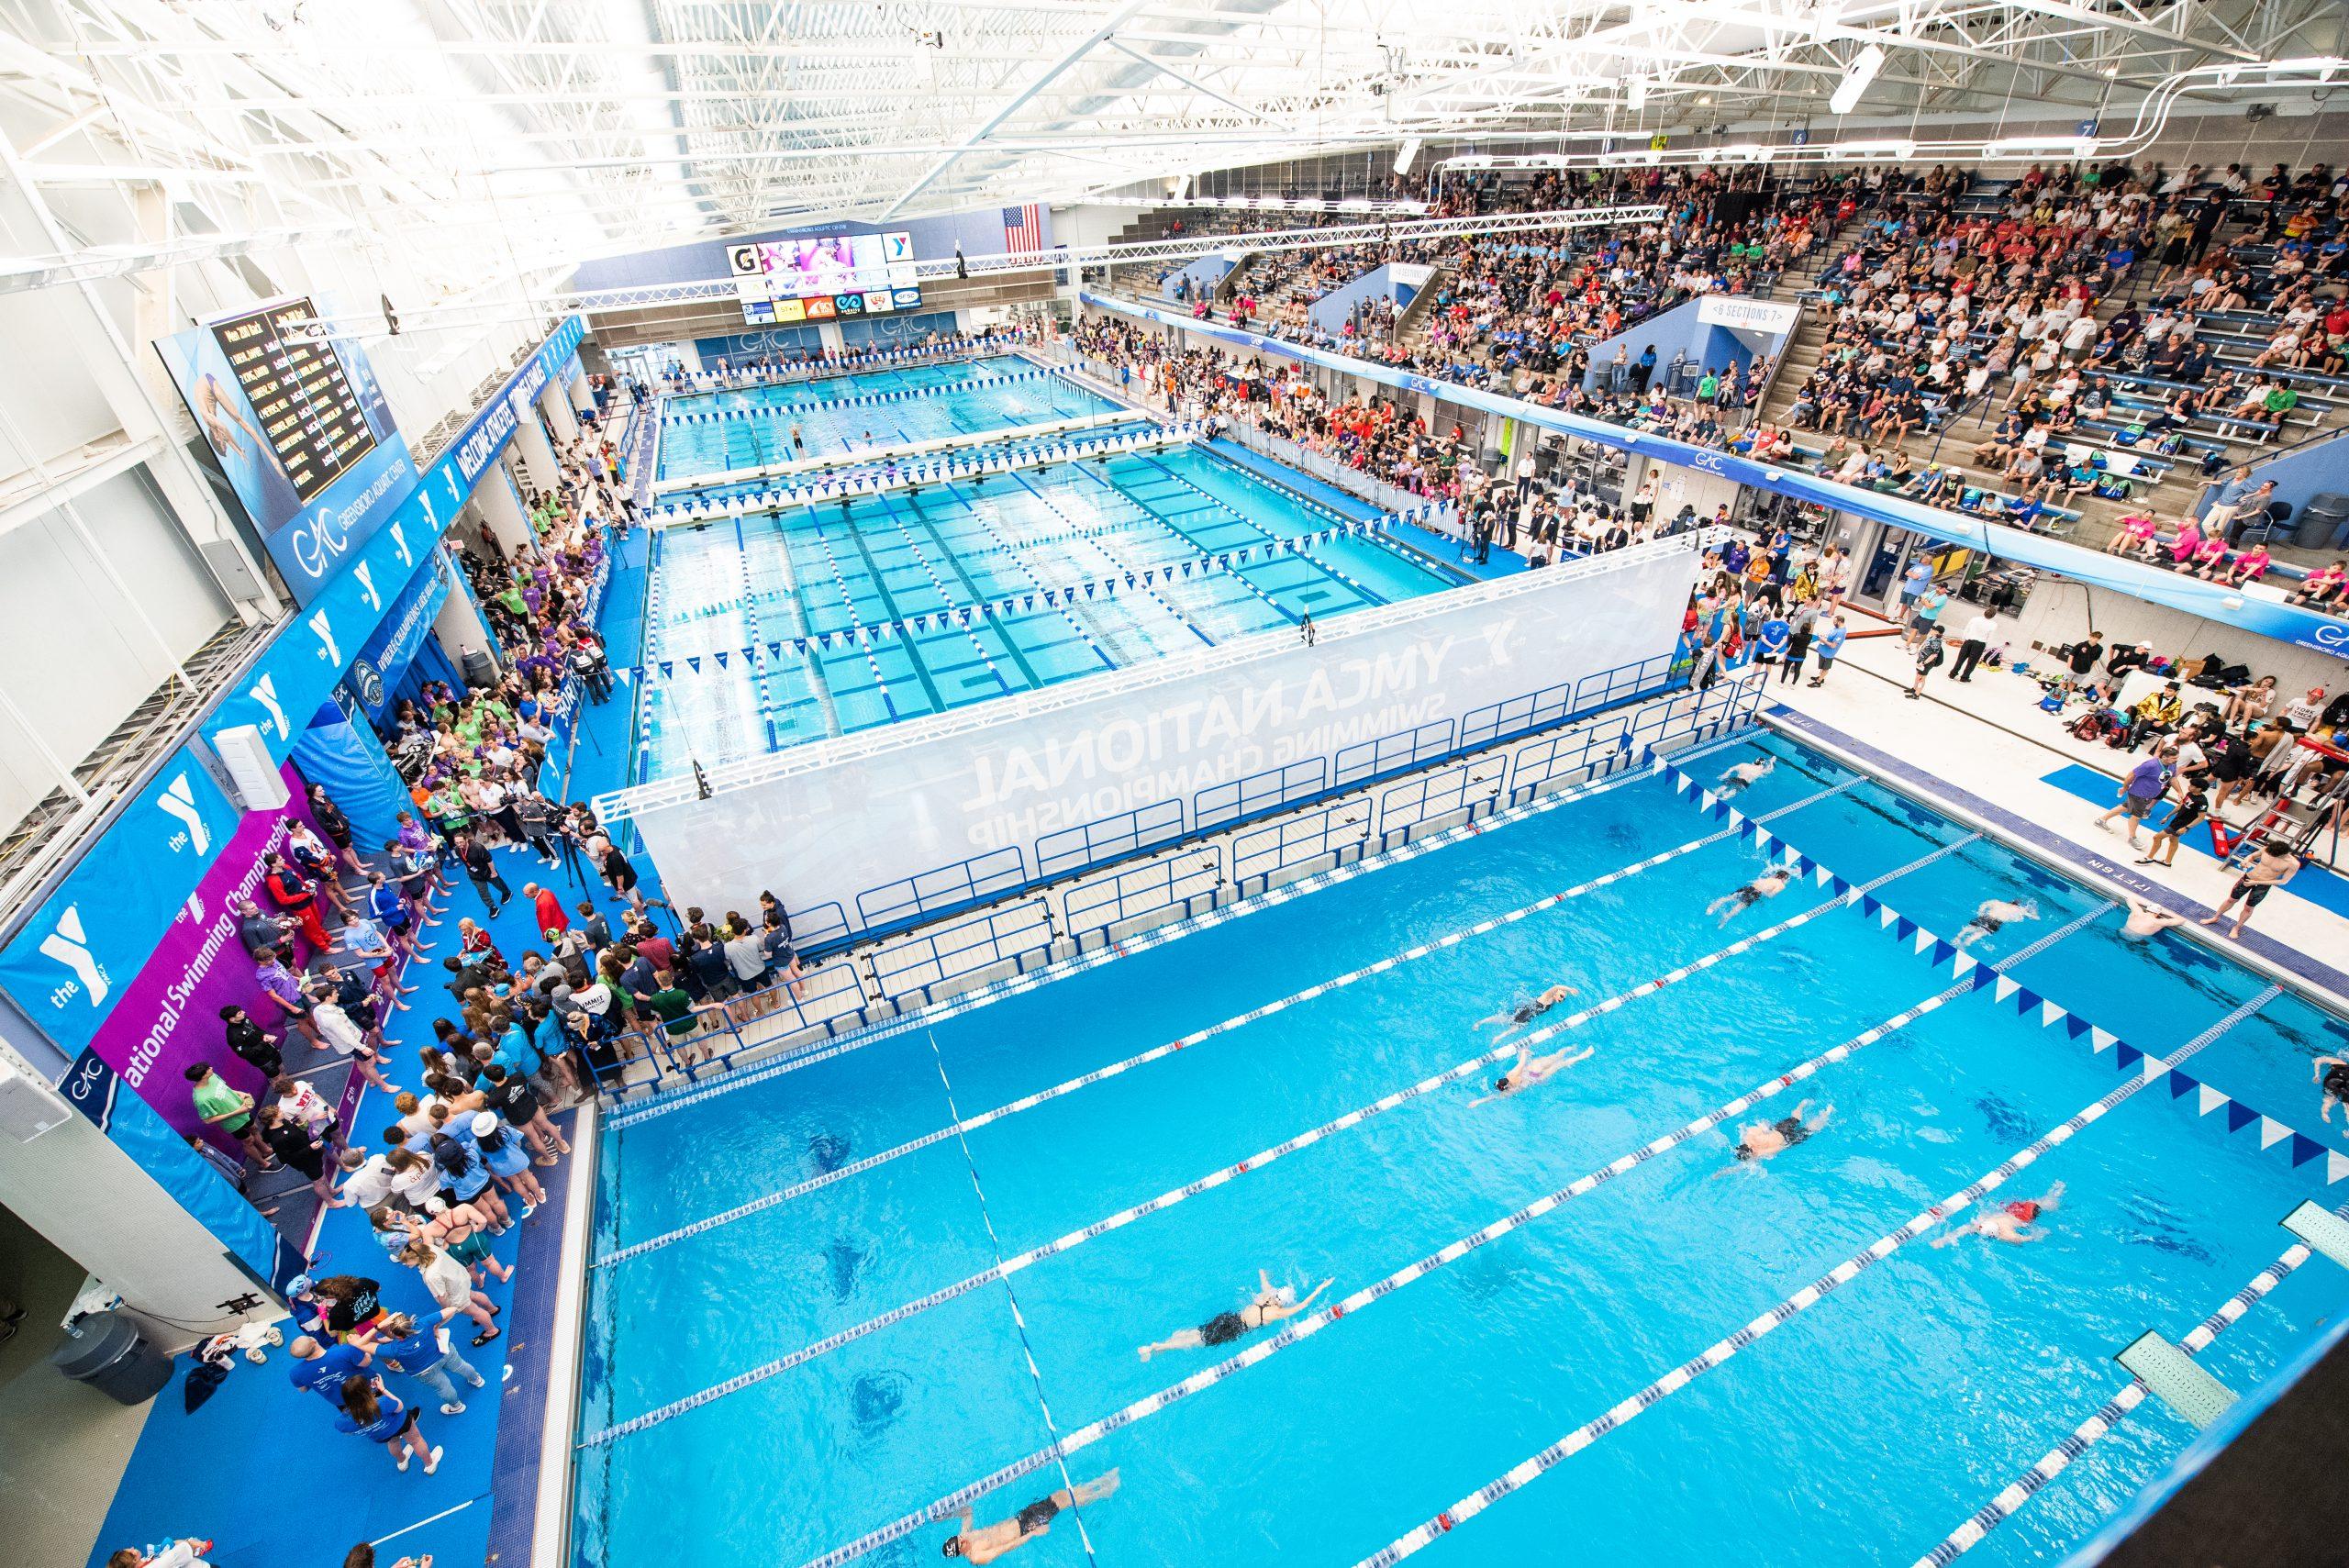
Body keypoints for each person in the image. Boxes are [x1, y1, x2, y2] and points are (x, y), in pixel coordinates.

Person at [1136, 1273, 1332, 1362]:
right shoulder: (1277, 1312)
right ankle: (1157, 1347)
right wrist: (1321, 1288)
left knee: (1198, 1333)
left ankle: (1165, 1343)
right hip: (1234, 1329)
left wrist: (1265, 1274)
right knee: (1198, 1342)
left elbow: (1262, 1275)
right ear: (1284, 1301)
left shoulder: (1266, 1295)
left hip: (1229, 1318)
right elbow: (1304, 1305)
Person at [941, 1472, 1121, 1562]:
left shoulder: (965, 1534)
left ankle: (1099, 1486)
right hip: (1026, 1527)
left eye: (958, 1537)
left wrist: (945, 1515)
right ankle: (1103, 1489)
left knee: (1059, 1496)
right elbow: (1008, 1546)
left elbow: (967, 1511)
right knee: (1062, 1500)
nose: (963, 1538)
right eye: (960, 1543)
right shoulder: (978, 1556)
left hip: (1020, 1517)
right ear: (960, 1551)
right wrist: (1033, 1533)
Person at [363, 1311, 494, 1417]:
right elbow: (452, 1309)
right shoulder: (423, 1323)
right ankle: (476, 1380)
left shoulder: (393, 1349)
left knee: (443, 1387)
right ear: (409, 1321)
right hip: (444, 1353)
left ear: (395, 1334)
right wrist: (437, 1326)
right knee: (462, 1366)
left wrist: (378, 1326)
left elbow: (361, 1344)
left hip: (424, 1371)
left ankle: (456, 1406)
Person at [334, 1373, 442, 1474]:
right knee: (416, 1440)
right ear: (367, 1390)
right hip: (401, 1424)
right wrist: (383, 1389)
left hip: (380, 1435)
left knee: (393, 1442)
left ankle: (402, 1462)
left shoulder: (342, 1421)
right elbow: (400, 1407)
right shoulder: (381, 1402)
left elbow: (348, 1432)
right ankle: (429, 1464)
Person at [2202, 839, 2301, 937]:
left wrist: (2256, 882)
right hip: (2248, 878)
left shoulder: (2293, 864)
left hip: (2263, 886)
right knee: (2231, 900)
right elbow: (2253, 855)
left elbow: (2283, 881)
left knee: (2248, 908)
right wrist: (2246, 860)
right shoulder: (2267, 849)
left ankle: (2236, 927)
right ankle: (2215, 917)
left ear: (2283, 854)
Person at [184, 1062, 273, 1169]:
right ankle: (263, 1165)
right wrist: (236, 1112)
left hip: (243, 1110)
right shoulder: (201, 1099)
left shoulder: (212, 1077)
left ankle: (266, 1151)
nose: (211, 1068)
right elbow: (207, 1120)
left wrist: (240, 1094)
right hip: (233, 1123)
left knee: (254, 1128)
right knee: (248, 1141)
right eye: (208, 1069)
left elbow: (226, 1088)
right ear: (203, 1076)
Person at [2094, 746, 2176, 851]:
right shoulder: (2151, 765)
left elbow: (2173, 778)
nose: (2176, 760)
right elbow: (2132, 774)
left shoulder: (2172, 766)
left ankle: (2101, 820)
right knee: (2136, 816)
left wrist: (2179, 792)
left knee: (2125, 807)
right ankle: (2132, 838)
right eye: (2174, 758)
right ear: (2165, 757)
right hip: (2139, 793)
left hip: (2149, 795)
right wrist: (2125, 787)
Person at [1931, 1183, 2065, 1247]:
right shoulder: (1982, 1221)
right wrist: (1942, 1241)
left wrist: (2037, 1235)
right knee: (2040, 1203)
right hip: (2013, 1209)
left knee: (2040, 1206)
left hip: (2022, 1216)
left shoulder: (2003, 1233)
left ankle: (2055, 1196)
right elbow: (1964, 1229)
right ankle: (2056, 1194)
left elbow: (2020, 1240)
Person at [1720, 1099, 1833, 1170]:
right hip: (1779, 1130)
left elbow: (1779, 1147)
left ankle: (1827, 1113)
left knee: (1809, 1129)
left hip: (1787, 1139)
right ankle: (1802, 1105)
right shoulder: (1748, 1136)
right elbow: (1760, 1127)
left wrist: (1789, 1144)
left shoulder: (1758, 1154)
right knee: (1796, 1118)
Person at [1473, 1041, 1595, 1104]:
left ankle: (1582, 1055)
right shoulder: (1511, 1075)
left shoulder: (1508, 1092)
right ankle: (1571, 1048)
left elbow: (1494, 1097)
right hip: (1533, 1070)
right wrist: (1524, 1052)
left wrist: (1479, 1101)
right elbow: (1521, 1063)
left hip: (1536, 1079)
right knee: (1556, 1057)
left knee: (1560, 1064)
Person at [2138, 776, 2210, 868]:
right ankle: (2167, 862)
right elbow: (2181, 805)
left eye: (2192, 786)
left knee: (2157, 837)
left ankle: (2149, 858)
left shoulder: (2202, 802)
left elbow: (2201, 818)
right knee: (2173, 840)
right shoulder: (2190, 794)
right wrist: (2168, 816)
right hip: (2177, 820)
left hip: (2182, 825)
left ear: (2199, 788)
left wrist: (2186, 828)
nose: (2189, 787)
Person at [1475, 983, 1577, 1033]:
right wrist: (1570, 989)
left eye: (1563, 999)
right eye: (1561, 996)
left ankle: (1498, 1037)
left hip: (1528, 1016)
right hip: (1525, 1011)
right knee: (1505, 1019)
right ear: (1555, 994)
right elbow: (1556, 986)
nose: (1562, 999)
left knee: (1510, 1023)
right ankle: (1480, 1023)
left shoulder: (1552, 1002)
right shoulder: (1547, 996)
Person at [1708, 865, 1793, 925]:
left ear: (1776, 875)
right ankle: (1722, 922)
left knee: (1727, 898)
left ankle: (1710, 908)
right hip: (1755, 894)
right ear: (1784, 879)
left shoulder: (1769, 878)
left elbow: (1756, 881)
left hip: (1749, 888)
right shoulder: (1781, 885)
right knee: (1737, 908)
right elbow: (1770, 895)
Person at [1954, 897, 2038, 951]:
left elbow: (1985, 904)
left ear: (2009, 902)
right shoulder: (2019, 910)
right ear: (2018, 905)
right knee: (1978, 934)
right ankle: (1965, 944)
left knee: (1968, 928)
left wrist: (1980, 912)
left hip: (1986, 917)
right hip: (1995, 923)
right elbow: (2036, 918)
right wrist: (2034, 911)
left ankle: (1957, 938)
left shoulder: (1998, 902)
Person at [1950, 608, 1998, 683]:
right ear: (1993, 616)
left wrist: (1964, 639)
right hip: (1980, 644)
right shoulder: (1994, 625)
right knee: (1972, 662)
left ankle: (1952, 675)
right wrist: (1986, 647)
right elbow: (1990, 638)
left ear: (1984, 612)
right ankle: (1964, 678)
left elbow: (1966, 629)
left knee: (1960, 659)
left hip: (1968, 641)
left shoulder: (1975, 619)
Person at [1806, 614, 1846, 686]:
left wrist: (1823, 640)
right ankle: (1821, 677)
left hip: (1828, 653)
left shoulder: (1840, 633)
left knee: (1825, 667)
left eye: (1835, 622)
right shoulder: (1836, 628)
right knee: (1822, 665)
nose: (1834, 624)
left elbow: (1833, 645)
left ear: (1839, 622)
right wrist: (1824, 637)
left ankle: (1818, 682)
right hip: (1824, 650)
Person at [1907, 627, 1946, 698]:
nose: (1931, 630)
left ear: (1937, 632)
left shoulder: (1937, 641)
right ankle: (1914, 689)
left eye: (1933, 629)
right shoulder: (1932, 637)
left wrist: (1924, 663)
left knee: (1922, 678)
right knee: (1918, 675)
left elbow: (1934, 655)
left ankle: (1916, 694)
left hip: (1926, 663)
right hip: (1921, 660)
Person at [2120, 898, 2188, 939]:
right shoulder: (2159, 922)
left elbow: (2129, 899)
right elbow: (2182, 920)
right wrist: (2166, 912)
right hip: (2136, 940)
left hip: (2121, 933)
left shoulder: (2137, 912)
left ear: (2147, 909)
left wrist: (2148, 905)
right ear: (2157, 914)